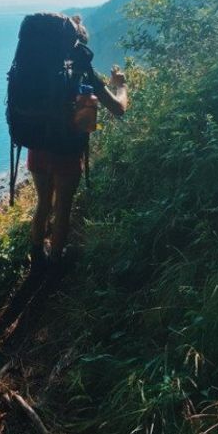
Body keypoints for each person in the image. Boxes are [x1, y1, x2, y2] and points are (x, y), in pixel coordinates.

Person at [26, 17, 127, 270]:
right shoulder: (84, 71)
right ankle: (56, 261)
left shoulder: (40, 68)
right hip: (68, 152)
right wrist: (121, 85)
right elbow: (119, 108)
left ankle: (37, 260)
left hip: (38, 146)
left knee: (43, 204)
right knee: (62, 209)